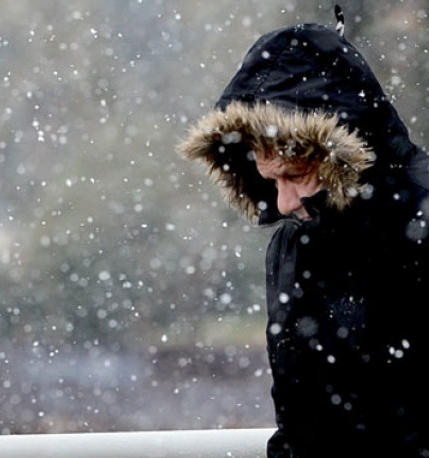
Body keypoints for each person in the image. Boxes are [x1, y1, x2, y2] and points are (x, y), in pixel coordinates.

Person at [178, 7, 429, 457]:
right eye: (272, 181)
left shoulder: (420, 226)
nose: (283, 204)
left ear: (343, 153)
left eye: (294, 176)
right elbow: (300, 425)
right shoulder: (295, 248)